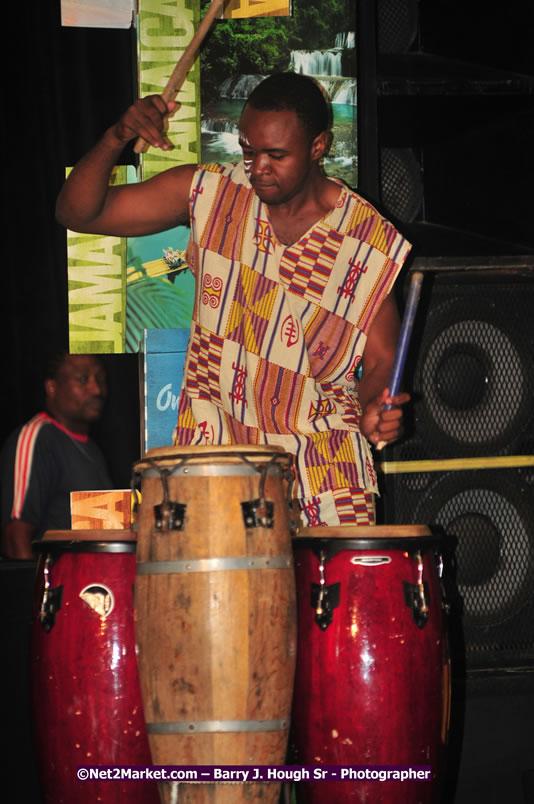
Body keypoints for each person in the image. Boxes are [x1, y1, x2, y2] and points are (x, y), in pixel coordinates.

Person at [56, 72, 411, 527]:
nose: (257, 167)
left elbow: (382, 359)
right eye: (249, 150)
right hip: (216, 456)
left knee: (342, 599)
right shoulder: (211, 193)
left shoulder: (367, 238)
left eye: (276, 155)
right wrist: (117, 136)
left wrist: (375, 408)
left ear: (319, 146)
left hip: (326, 467)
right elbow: (79, 212)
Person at [1, 351, 112, 559]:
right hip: (58, 587)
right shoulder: (38, 437)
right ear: (52, 387)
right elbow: (14, 536)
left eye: (101, 380)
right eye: (83, 379)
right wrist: (36, 590)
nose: (96, 389)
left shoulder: (94, 450)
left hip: (92, 586)